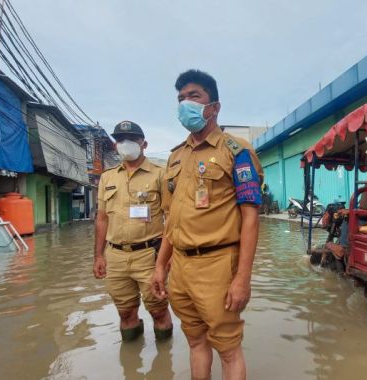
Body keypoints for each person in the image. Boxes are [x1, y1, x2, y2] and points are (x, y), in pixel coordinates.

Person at [150, 70, 263, 380]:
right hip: (181, 268)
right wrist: (161, 266)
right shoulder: (176, 158)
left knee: (228, 350)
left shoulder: (237, 152)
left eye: (194, 96)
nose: (185, 103)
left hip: (218, 265)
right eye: (180, 98)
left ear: (214, 106)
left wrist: (242, 278)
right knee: (195, 341)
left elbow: (251, 217)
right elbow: (172, 218)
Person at [93, 121, 172, 342]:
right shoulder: (107, 177)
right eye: (120, 140)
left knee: (158, 310)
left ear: (144, 144)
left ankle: (164, 364)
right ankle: (131, 365)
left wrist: (166, 259)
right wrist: (98, 256)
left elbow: (172, 220)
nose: (125, 144)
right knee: (125, 313)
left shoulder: (160, 175)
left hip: (149, 255)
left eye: (132, 139)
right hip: (115, 257)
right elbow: (101, 218)